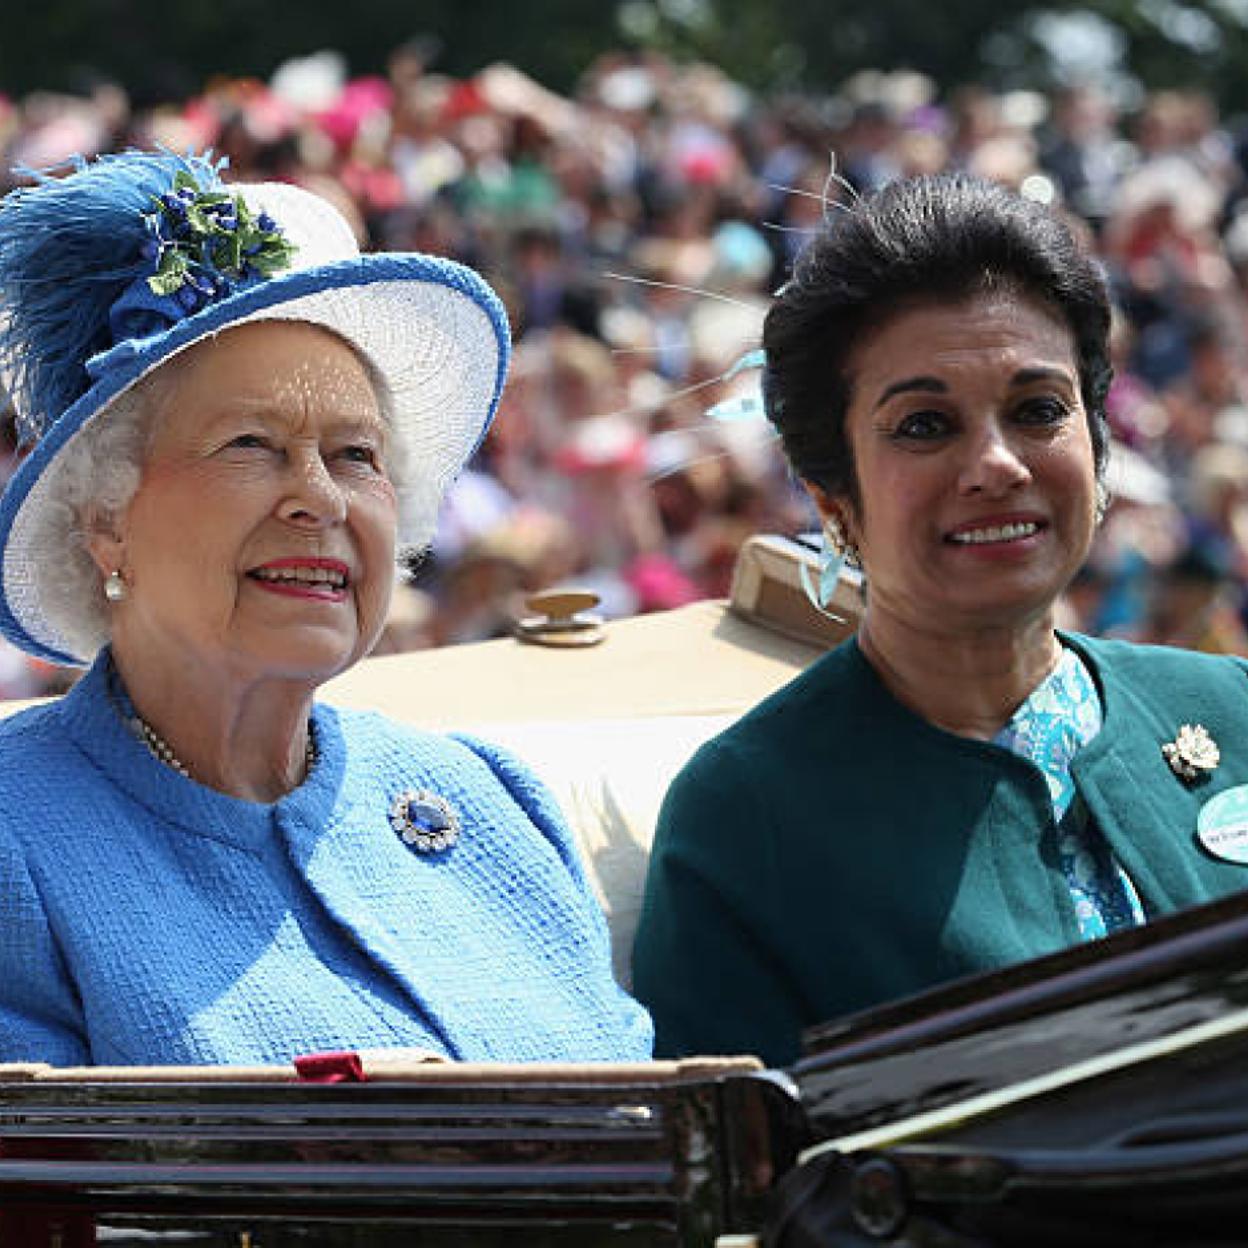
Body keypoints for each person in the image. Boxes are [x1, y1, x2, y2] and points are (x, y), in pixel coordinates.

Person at [0, 150, 652, 1067]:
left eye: (356, 456)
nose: (322, 499)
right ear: (106, 521)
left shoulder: (492, 799)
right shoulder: (15, 836)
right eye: (252, 444)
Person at [632, 174, 1248, 1067]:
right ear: (833, 498)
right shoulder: (748, 820)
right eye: (924, 426)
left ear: (1099, 445)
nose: (995, 464)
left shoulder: (1230, 709)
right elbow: (761, 1191)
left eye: (1039, 410)